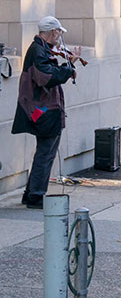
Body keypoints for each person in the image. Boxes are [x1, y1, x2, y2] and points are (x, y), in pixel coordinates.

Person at [13, 17, 77, 208]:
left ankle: (30, 194)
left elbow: (47, 72)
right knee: (45, 153)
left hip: (42, 108)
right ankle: (35, 196)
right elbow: (46, 77)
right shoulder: (38, 51)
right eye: (59, 33)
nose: (60, 37)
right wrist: (68, 67)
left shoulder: (39, 49)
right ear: (52, 32)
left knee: (44, 153)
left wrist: (65, 66)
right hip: (43, 110)